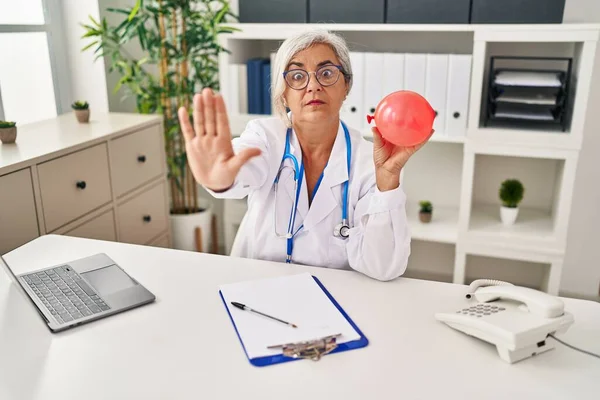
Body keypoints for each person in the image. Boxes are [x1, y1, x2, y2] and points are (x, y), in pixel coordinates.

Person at [177, 29, 432, 281]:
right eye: (297, 76)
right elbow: (242, 168)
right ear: (283, 95)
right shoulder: (265, 136)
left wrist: (387, 184)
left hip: (335, 302)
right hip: (258, 291)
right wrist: (219, 179)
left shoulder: (370, 160)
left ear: (346, 86)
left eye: (327, 73)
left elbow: (383, 268)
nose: (313, 86)